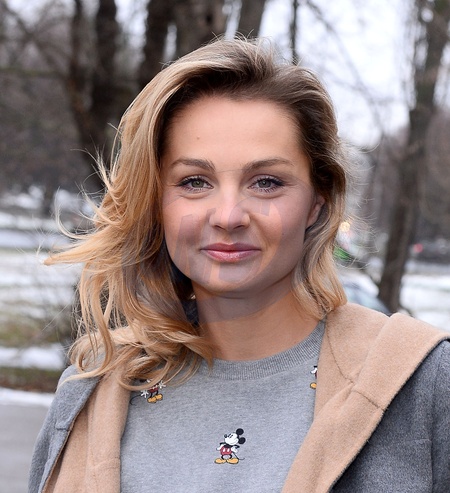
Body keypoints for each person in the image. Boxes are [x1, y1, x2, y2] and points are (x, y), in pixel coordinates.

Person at [29, 38, 450, 493]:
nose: (228, 216)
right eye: (195, 182)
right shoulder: (91, 389)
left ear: (318, 200)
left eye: (266, 182)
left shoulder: (420, 382)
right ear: (156, 201)